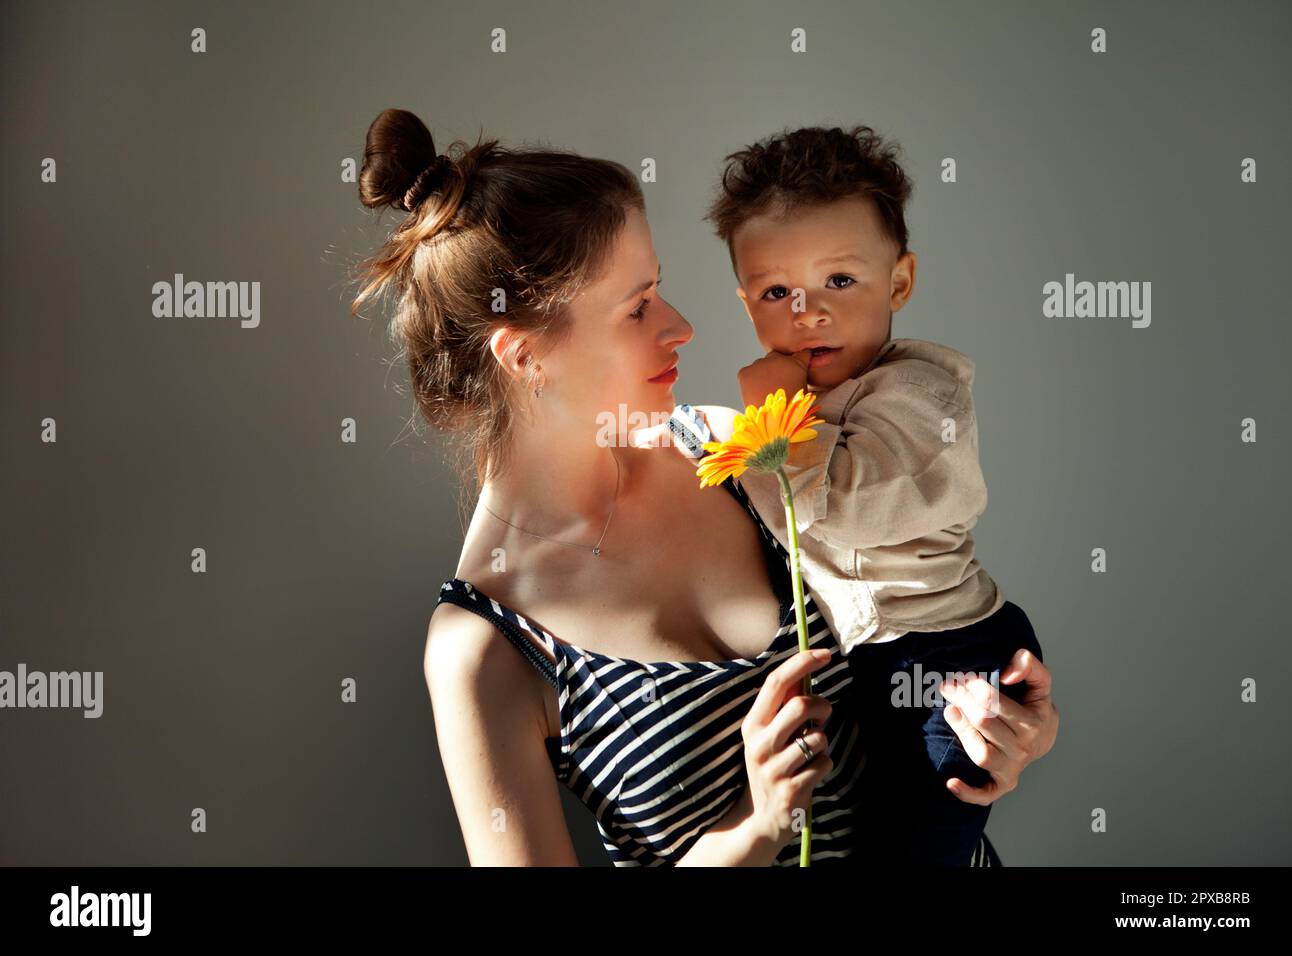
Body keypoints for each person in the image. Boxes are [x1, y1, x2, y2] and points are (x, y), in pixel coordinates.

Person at [350, 108, 1060, 865]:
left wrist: (999, 724)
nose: (681, 326)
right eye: (637, 307)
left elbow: (917, 607)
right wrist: (755, 825)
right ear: (525, 357)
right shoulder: (483, 647)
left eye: (659, 287)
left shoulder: (734, 449)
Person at [702, 125, 1046, 865]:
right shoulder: (812, 396)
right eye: (775, 291)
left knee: (921, 840)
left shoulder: (920, 393)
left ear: (900, 282)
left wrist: (776, 426)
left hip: (947, 658)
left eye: (840, 281)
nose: (808, 311)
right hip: (880, 658)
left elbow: (848, 508)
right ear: (746, 303)